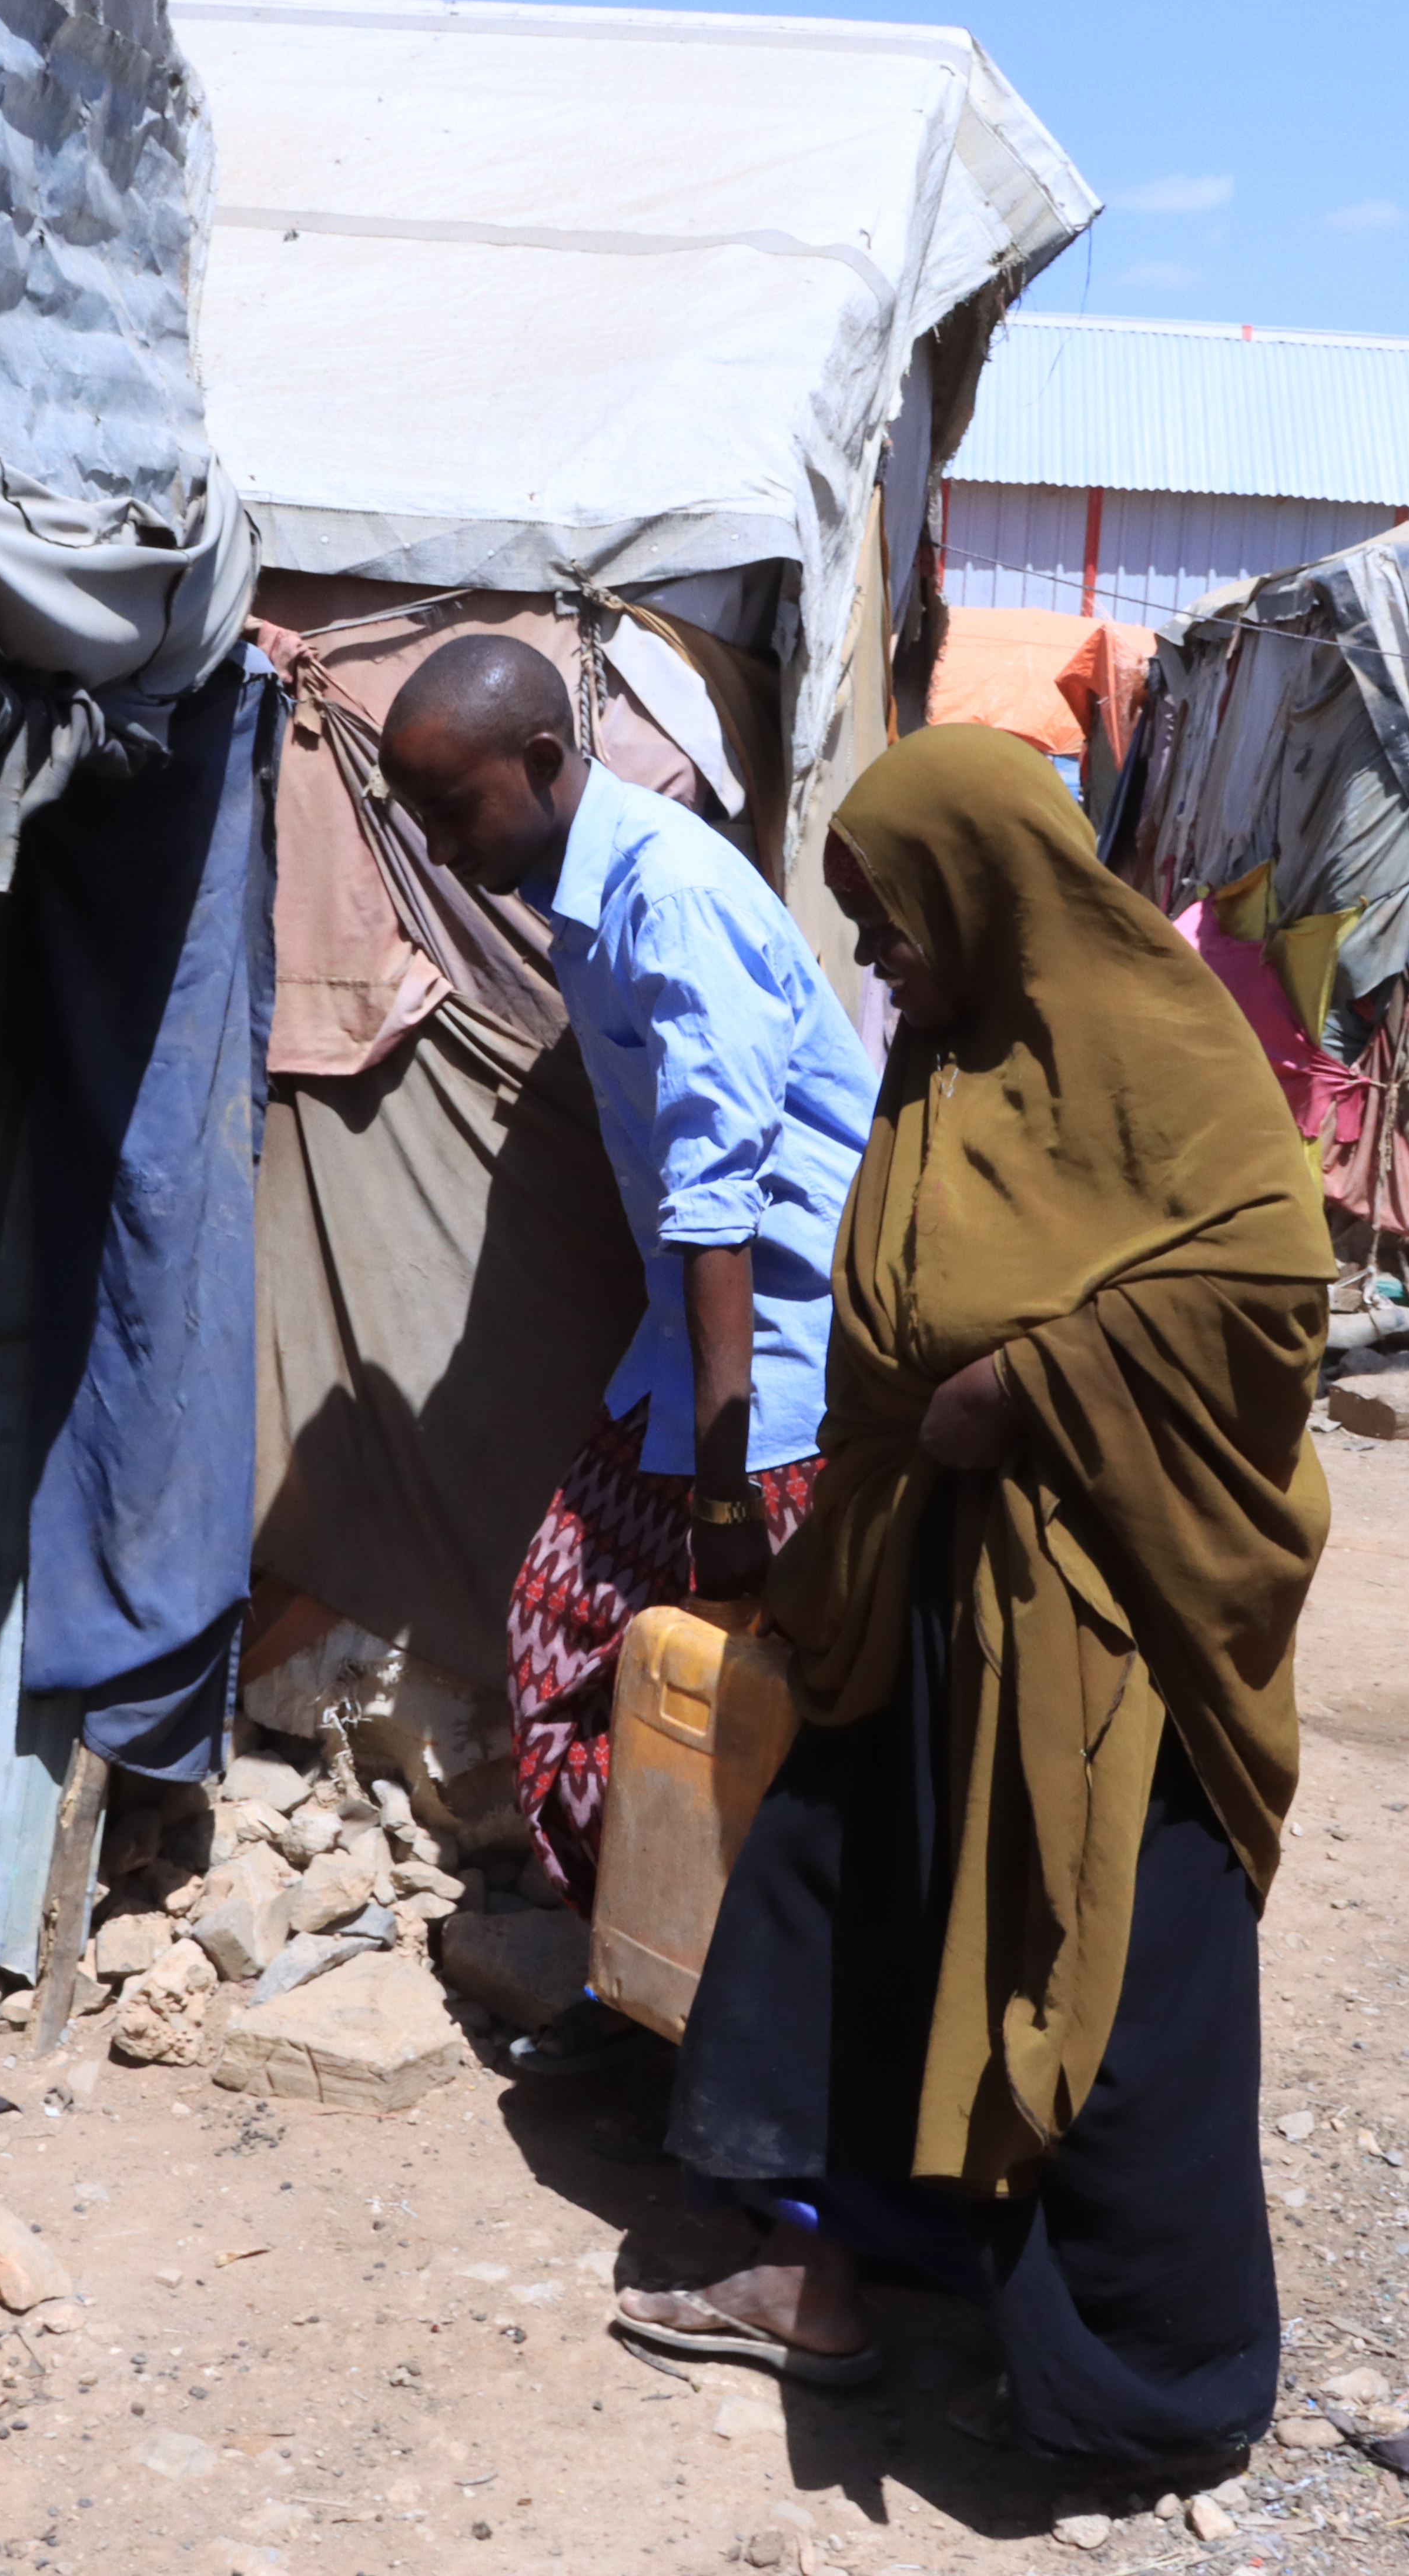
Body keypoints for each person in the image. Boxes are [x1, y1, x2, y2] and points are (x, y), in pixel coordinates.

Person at [610, 724, 1333, 2471]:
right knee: (853, 1913)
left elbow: (1263, 1280)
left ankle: (1151, 2383)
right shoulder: (942, 1061)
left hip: (1109, 1625)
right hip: (920, 1588)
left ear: (986, 885)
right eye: (860, 926)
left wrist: (1032, 1389)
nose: (873, 958)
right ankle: (834, 2279)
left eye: (891, 919)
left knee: (1115, 1975)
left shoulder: (1162, 1048)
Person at [375, 636, 875, 2069]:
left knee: (744, 1713)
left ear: (541, 763)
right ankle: (670, 1986)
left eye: (451, 807)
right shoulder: (580, 897)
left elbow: (719, 1208)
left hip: (773, 1377)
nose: (435, 843)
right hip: (688, 1355)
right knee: (574, 1644)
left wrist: (725, 1493)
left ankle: (747, 2031)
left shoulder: (669, 899)